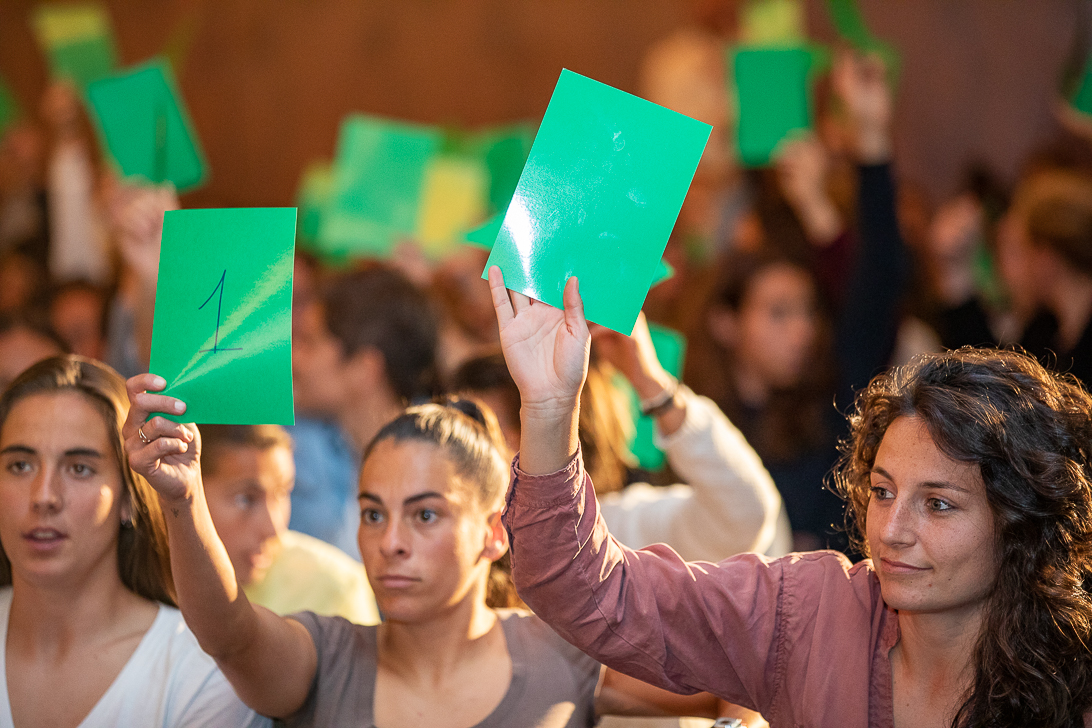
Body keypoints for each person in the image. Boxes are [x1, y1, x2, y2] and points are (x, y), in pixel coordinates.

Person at [487, 264, 1092, 727]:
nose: (892, 530)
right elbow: (581, 587)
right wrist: (548, 407)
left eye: (937, 504)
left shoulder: (1073, 676)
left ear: (1020, 519)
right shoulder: (808, 614)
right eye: (882, 492)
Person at [124, 380, 734, 726]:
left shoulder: (562, 652)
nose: (390, 542)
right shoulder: (328, 659)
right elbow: (228, 634)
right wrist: (181, 500)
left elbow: (738, 682)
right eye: (372, 514)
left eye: (425, 514)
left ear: (495, 533)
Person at [0, 355, 268, 727]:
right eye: (20, 465)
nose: (44, 496)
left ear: (129, 497)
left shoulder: (198, 673)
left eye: (80, 468)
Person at [288, 263, 440, 557]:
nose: (293, 357)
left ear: (364, 369)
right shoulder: (313, 441)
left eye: (309, 342)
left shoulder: (442, 469)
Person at [200, 423, 379, 624]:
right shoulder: (160, 587)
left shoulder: (336, 587)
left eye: (283, 493)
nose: (274, 528)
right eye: (245, 499)